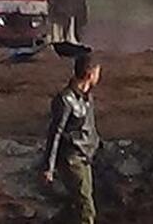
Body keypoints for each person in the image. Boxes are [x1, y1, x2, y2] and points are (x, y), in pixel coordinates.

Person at [43, 53, 101, 224]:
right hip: (72, 158)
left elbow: (89, 128)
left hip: (85, 157)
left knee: (79, 201)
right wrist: (49, 166)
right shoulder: (65, 100)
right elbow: (55, 133)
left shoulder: (86, 98)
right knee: (86, 206)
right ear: (90, 74)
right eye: (97, 72)